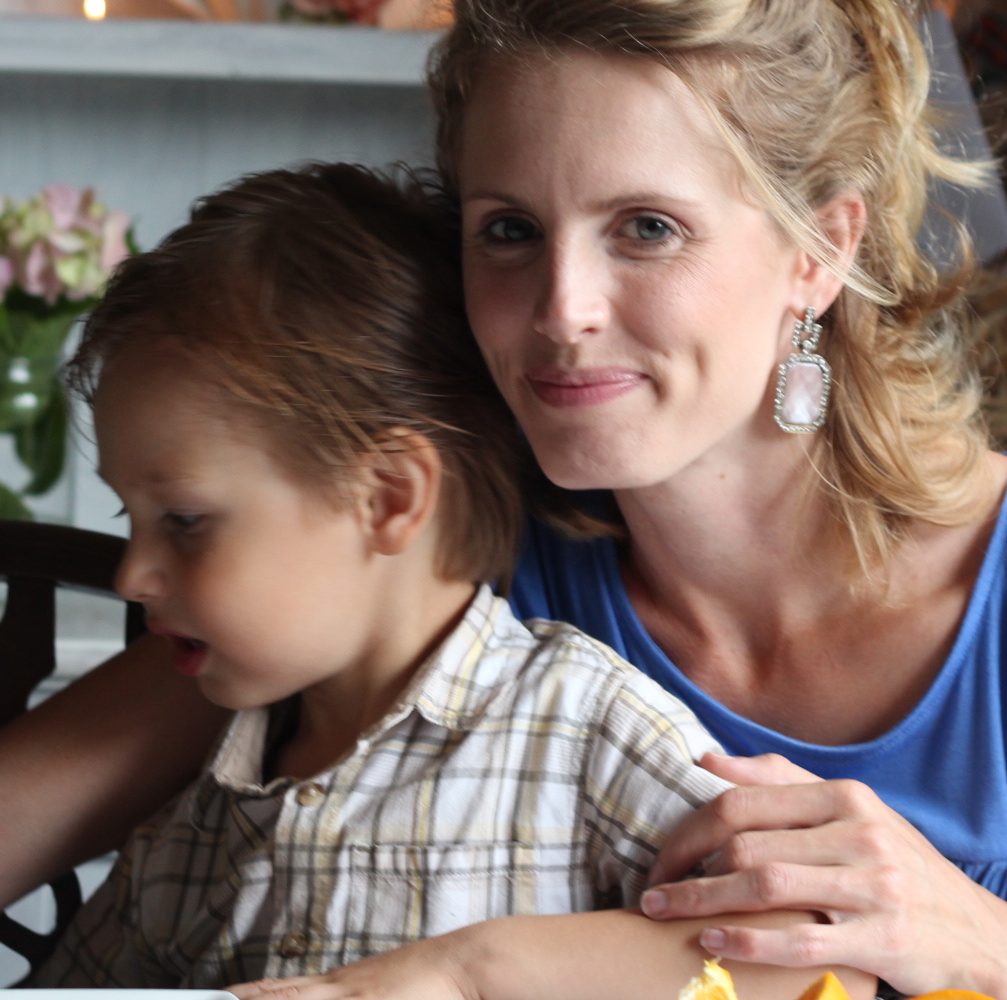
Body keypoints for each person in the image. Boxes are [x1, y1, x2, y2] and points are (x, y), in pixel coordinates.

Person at [0, 0, 1007, 1000]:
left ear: (821, 248)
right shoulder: (427, 569)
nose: (560, 310)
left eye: (646, 227)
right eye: (507, 229)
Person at [29, 162, 868, 1000]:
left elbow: (811, 956)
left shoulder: (580, 728)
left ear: (390, 497)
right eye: (131, 517)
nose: (132, 574)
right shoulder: (201, 811)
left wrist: (468, 974)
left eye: (185, 520)